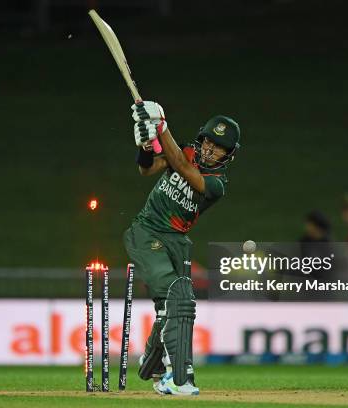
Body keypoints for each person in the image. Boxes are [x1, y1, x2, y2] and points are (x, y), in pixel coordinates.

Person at [124, 101, 240, 396]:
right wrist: (148, 146)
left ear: (228, 155)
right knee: (178, 296)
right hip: (146, 232)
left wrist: (161, 127)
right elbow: (147, 169)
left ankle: (154, 366)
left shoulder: (216, 185)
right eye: (208, 142)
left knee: (174, 305)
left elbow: (183, 167)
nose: (210, 150)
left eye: (219, 148)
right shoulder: (186, 153)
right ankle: (179, 379)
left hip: (176, 241)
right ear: (201, 139)